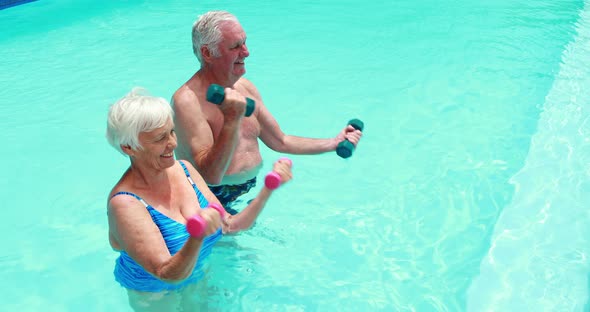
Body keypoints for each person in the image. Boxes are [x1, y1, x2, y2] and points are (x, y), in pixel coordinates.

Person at [106, 87, 292, 311]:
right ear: (129, 147)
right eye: (160, 138)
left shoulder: (185, 170)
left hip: (197, 274)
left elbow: (230, 225)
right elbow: (167, 274)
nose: (173, 144)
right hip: (156, 295)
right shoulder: (125, 203)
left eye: (172, 132)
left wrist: (268, 189)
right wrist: (197, 236)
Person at [172, 10, 362, 213]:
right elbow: (209, 176)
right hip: (211, 198)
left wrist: (332, 143)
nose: (246, 52)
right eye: (235, 46)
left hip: (248, 189)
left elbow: (280, 141)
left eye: (244, 43)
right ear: (208, 53)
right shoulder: (187, 102)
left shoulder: (245, 87)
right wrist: (232, 119)